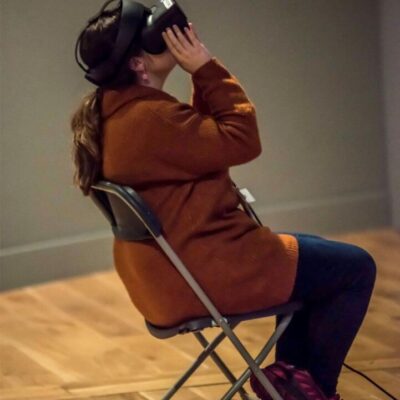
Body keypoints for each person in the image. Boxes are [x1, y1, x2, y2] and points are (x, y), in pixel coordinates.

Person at [70, 5, 376, 400]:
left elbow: (203, 146)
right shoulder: (152, 118)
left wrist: (201, 76)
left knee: (314, 256)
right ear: (138, 64)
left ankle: (292, 383)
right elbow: (242, 141)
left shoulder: (116, 115)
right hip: (207, 274)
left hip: (168, 280)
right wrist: (204, 68)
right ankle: (309, 389)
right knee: (355, 267)